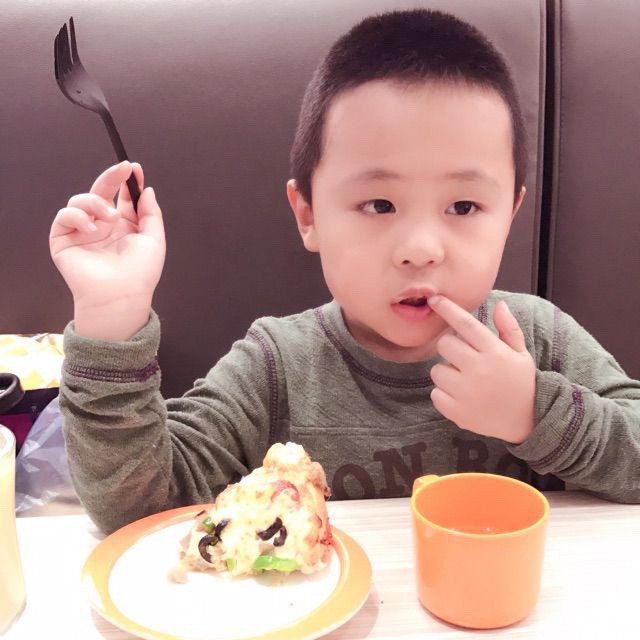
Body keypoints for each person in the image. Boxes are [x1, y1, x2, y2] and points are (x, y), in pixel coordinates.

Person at [49, 9, 640, 534]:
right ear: (308, 215)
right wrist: (111, 322)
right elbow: (139, 510)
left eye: (463, 207)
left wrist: (535, 412)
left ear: (509, 215)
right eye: (379, 204)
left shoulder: (538, 339)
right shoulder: (275, 368)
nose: (420, 250)